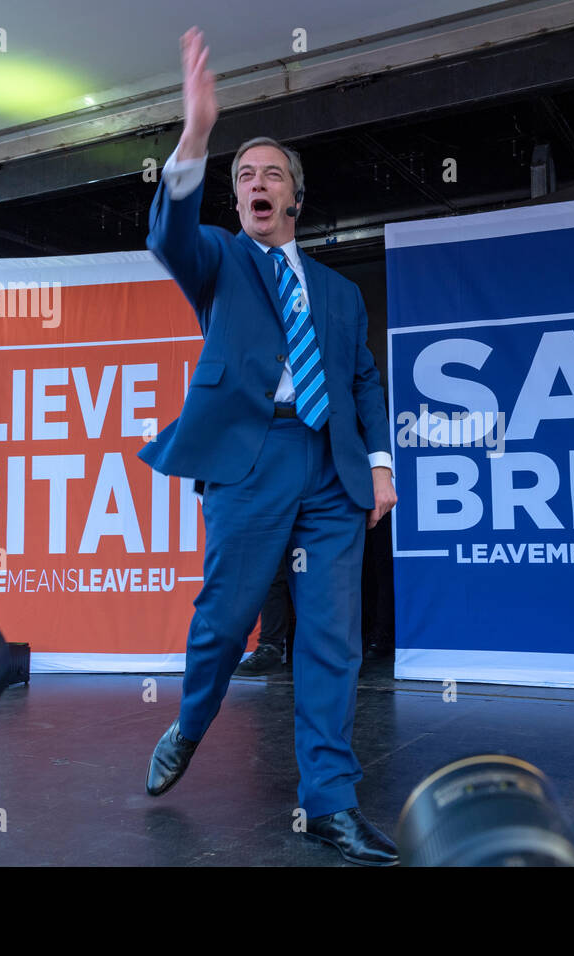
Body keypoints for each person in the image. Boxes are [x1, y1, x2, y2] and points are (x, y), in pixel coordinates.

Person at [140, 27, 398, 865]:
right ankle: (189, 722)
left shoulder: (338, 291)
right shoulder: (217, 259)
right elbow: (169, 236)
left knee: (332, 638)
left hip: (330, 466)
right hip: (250, 462)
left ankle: (330, 803)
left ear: (295, 199)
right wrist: (195, 137)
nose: (255, 185)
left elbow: (361, 379)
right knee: (223, 622)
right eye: (242, 175)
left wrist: (382, 464)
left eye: (270, 175)